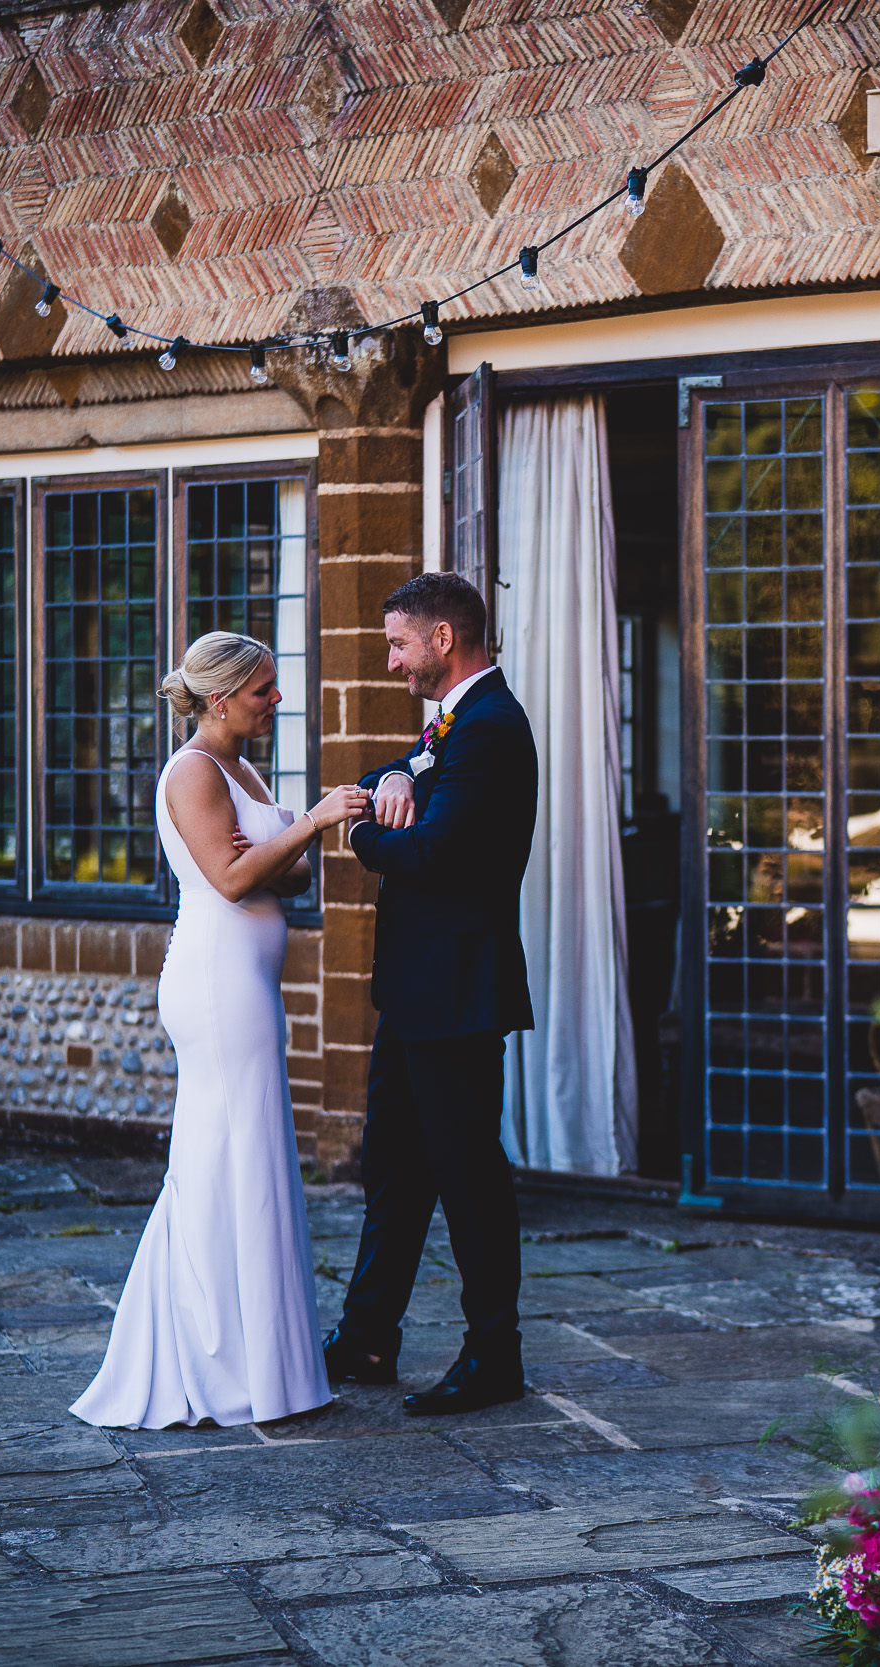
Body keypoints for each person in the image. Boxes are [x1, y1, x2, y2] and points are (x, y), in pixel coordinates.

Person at [71, 632, 366, 1429]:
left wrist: (280, 842)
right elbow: (236, 877)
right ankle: (212, 1354)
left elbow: (290, 873)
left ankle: (261, 1358)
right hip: (212, 984)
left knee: (253, 1154)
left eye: (274, 686)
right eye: (264, 689)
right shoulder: (193, 770)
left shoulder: (242, 768)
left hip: (247, 983)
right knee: (221, 1157)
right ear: (220, 697)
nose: (276, 700)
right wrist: (310, 821)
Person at [319, 570, 537, 1416]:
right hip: (415, 994)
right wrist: (395, 778)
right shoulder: (453, 725)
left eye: (398, 644)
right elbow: (406, 768)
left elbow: (437, 852)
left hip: (457, 993)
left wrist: (366, 830)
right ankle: (369, 1333)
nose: (389, 661)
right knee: (395, 1170)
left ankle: (495, 1354)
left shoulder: (490, 728)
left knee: (468, 1175)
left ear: (443, 640)